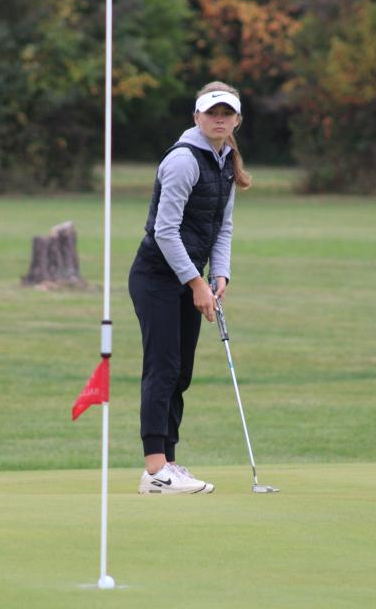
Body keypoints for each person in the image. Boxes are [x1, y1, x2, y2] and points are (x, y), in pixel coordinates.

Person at [129, 81, 252, 494]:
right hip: (156, 276)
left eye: (227, 113)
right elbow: (165, 231)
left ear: (236, 119)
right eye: (211, 112)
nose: (219, 119)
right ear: (196, 116)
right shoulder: (184, 160)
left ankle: (170, 463)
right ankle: (154, 471)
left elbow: (222, 226)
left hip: (189, 277)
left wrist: (220, 275)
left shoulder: (225, 160)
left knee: (180, 372)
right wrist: (196, 281)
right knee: (161, 367)